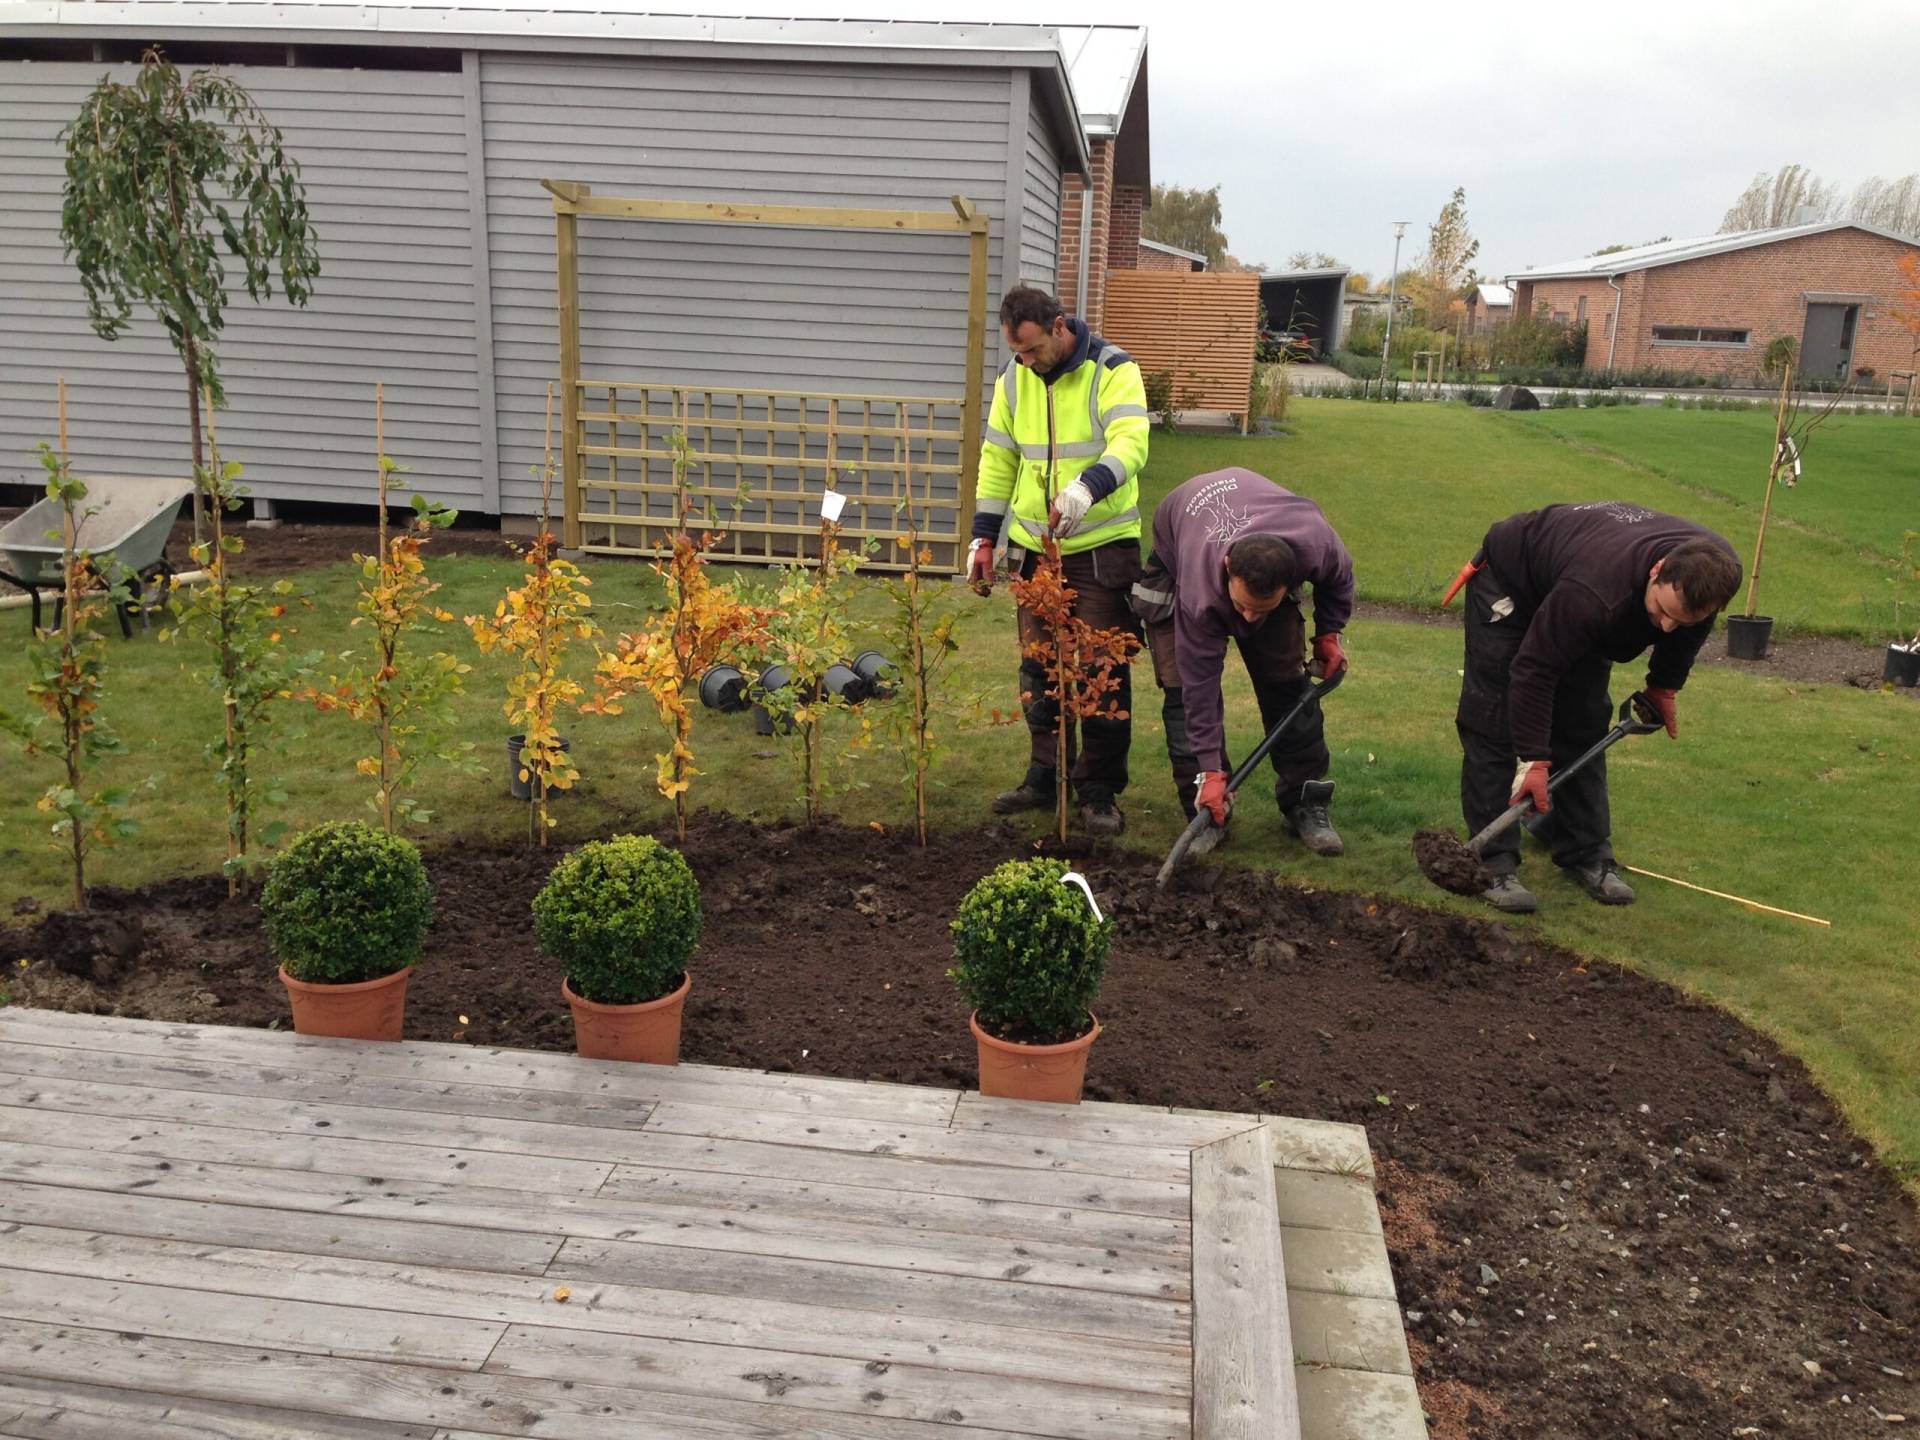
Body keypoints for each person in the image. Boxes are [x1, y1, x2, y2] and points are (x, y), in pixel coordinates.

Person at [1450, 500, 1742, 913]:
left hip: (1581, 578)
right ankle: (1491, 861)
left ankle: (1585, 852)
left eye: (1681, 621)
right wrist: (1534, 760)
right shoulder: (1596, 592)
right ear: (1657, 570)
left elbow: (1690, 627)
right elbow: (1535, 669)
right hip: (1513, 580)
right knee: (1492, 717)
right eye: (1662, 611)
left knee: (1583, 719)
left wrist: (1664, 685)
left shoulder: (1718, 572)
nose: (1666, 627)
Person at [966, 285, 1150, 836]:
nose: (1026, 361)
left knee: (1101, 669)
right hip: (1034, 549)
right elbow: (998, 458)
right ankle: (1044, 776)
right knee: (1039, 667)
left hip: (1100, 546)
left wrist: (1086, 488)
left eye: (1032, 349)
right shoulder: (1013, 379)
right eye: (1016, 352)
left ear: (1059, 326)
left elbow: (1131, 442)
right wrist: (983, 538)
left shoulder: (1112, 369)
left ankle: (1097, 791)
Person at [1129, 467, 1353, 857]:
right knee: (1182, 694)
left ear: (1291, 582)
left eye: (1260, 609)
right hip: (1179, 551)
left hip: (1264, 525)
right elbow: (1200, 686)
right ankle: (1206, 812)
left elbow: (1339, 579)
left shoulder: (1315, 543)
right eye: (1242, 606)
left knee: (1288, 686)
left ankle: (1305, 802)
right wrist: (1210, 769)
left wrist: (1328, 635)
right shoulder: (1201, 590)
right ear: (1229, 567)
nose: (1248, 620)